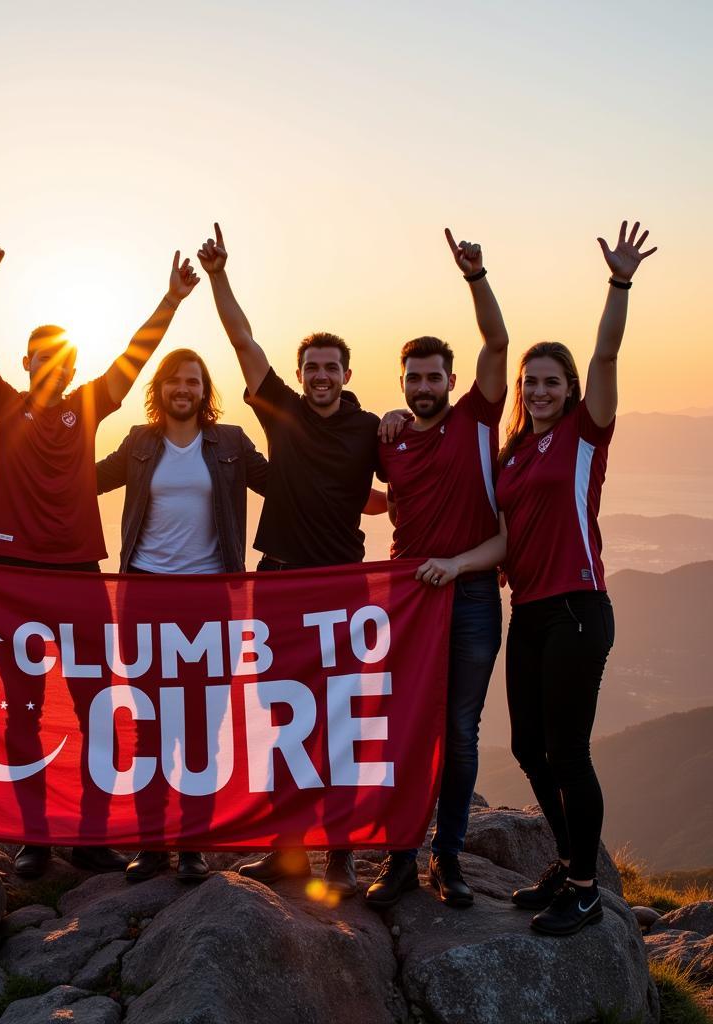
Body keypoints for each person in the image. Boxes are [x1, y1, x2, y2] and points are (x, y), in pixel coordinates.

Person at [0, 237, 199, 878]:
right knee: (24, 713)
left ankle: (91, 838)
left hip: (80, 579)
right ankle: (34, 837)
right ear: (28, 360)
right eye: (40, 357)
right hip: (14, 579)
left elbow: (135, 354)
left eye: (61, 359)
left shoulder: (87, 406)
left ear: (69, 367)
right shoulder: (2, 406)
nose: (50, 367)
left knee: (98, 709)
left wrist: (171, 298)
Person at [196, 223, 381, 897]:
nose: (322, 377)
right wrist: (218, 275)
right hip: (276, 579)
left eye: (332, 368)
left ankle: (341, 854)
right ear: (300, 378)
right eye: (312, 369)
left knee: (337, 720)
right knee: (281, 715)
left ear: (347, 375)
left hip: (342, 587)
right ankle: (288, 849)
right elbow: (244, 343)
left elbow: (418, 475)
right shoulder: (283, 413)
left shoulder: (370, 429)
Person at [496, 222, 656, 935]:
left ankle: (587, 890)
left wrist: (618, 284)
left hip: (578, 609)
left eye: (549, 382)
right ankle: (568, 862)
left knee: (567, 751)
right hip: (526, 613)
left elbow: (606, 351)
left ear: (569, 389)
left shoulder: (588, 431)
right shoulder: (511, 457)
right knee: (530, 747)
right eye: (529, 382)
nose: (537, 391)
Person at [363, 230, 508, 911]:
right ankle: (398, 857)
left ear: (451, 382)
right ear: (402, 385)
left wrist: (476, 277)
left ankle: (446, 858)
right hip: (406, 601)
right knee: (403, 729)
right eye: (413, 379)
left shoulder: (478, 418)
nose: (424, 387)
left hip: (472, 594)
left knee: (460, 730)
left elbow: (498, 346)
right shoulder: (386, 441)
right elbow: (345, 487)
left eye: (433, 377)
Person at [95, 348, 268, 882]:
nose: (183, 389)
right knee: (149, 724)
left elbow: (289, 486)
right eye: (174, 381)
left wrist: (374, 492)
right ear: (161, 389)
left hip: (209, 598)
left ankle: (192, 844)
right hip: (144, 593)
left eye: (192, 381)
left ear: (204, 389)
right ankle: (151, 846)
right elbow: (84, 479)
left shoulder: (231, 443)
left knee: (201, 725)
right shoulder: (140, 442)